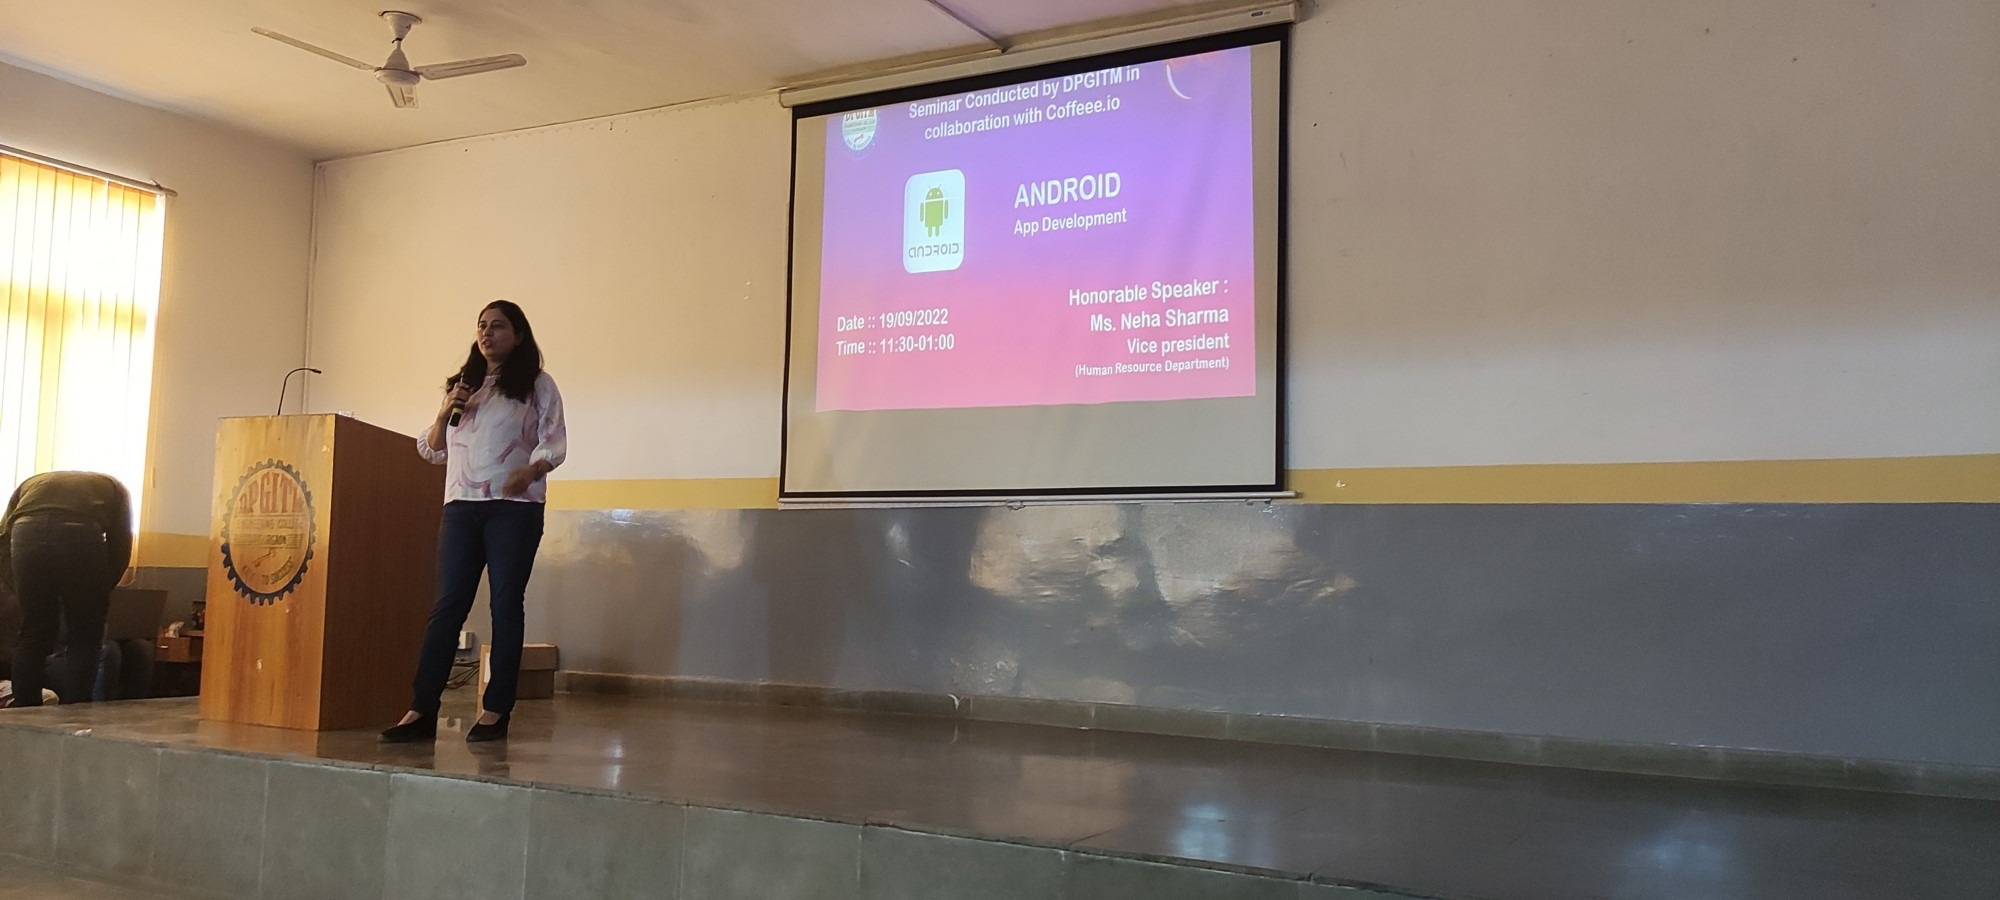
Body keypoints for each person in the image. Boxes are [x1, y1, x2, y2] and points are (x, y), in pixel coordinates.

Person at [382, 300, 566, 744]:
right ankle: (421, 709)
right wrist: (444, 412)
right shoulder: (463, 387)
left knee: (505, 604)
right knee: (447, 608)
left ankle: (496, 710)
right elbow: (433, 450)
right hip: (461, 508)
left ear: (518, 335)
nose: (486, 333)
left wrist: (531, 471)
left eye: (497, 326)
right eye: (481, 326)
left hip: (514, 509)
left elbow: (554, 441)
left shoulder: (537, 384)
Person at [0, 471, 133, 706]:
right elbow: (120, 546)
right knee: (85, 635)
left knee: (34, 632)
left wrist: (17, 586)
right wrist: (100, 590)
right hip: (79, 529)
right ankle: (74, 714)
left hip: (25, 530)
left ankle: (24, 711)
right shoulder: (116, 489)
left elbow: (3, 537)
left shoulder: (31, 483)